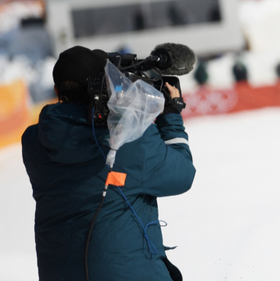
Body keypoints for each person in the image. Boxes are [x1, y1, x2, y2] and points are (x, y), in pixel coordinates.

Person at [22, 46, 196, 281]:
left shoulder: (35, 142)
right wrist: (171, 115)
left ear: (56, 90)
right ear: (106, 85)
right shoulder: (128, 140)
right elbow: (182, 173)